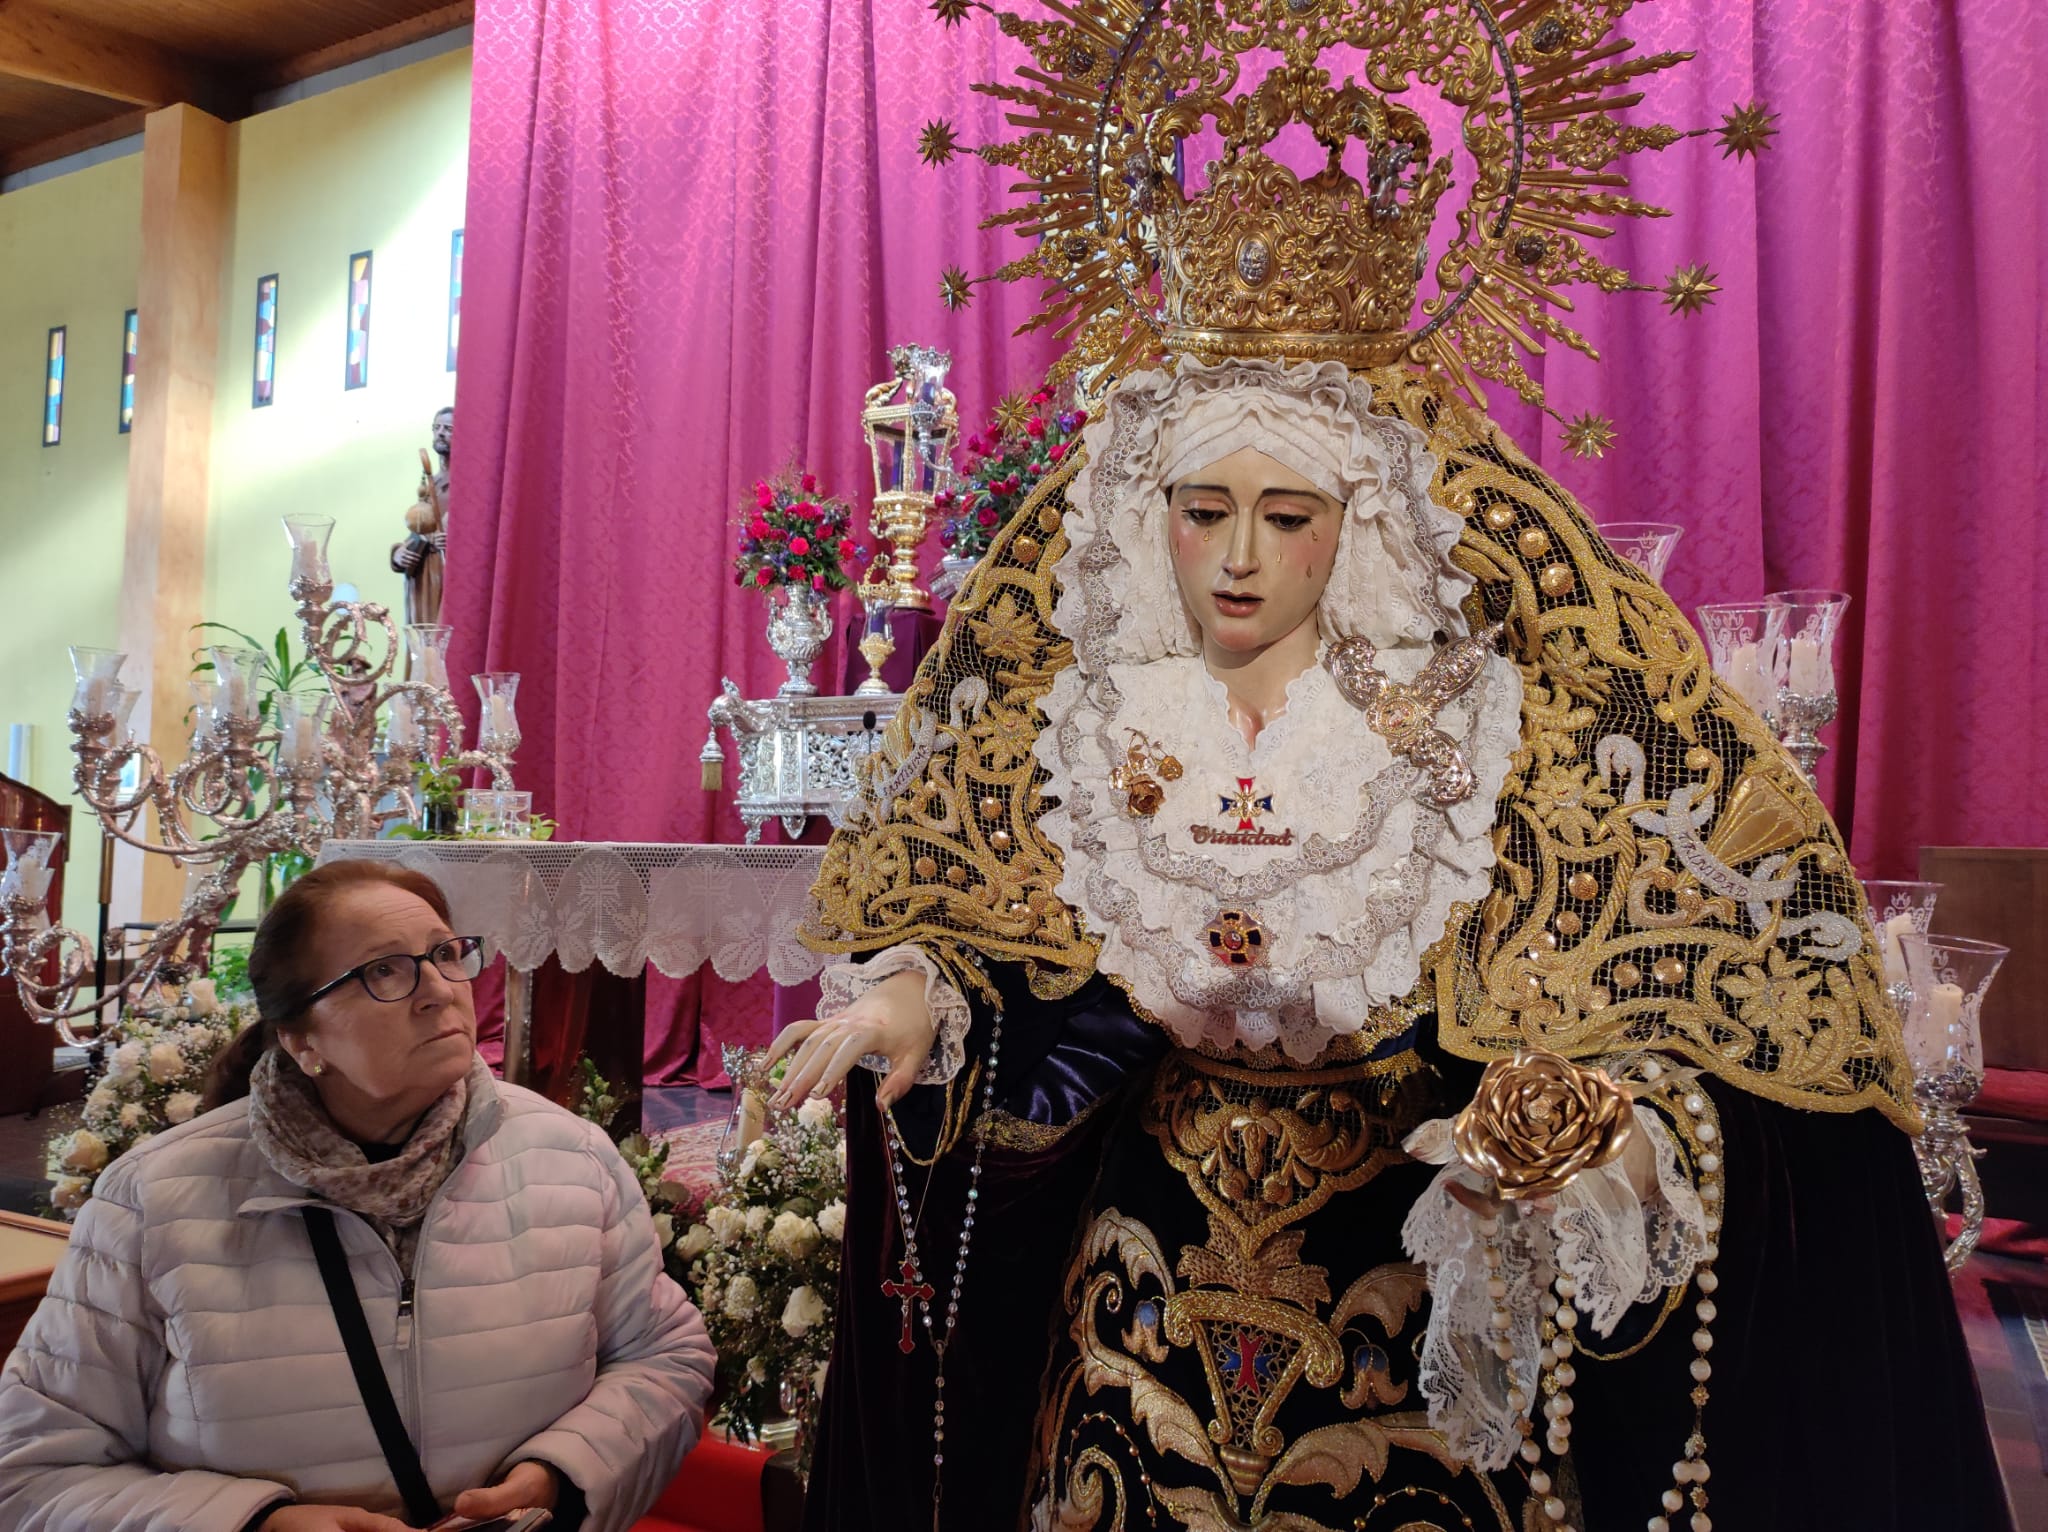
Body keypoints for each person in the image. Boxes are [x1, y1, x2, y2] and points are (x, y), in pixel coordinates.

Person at [779, 5, 2012, 1530]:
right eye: (1198, 508)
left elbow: (1712, 1019)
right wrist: (929, 1000)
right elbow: (1026, 954)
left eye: (1287, 515)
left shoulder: (1503, 722)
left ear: (1358, 521)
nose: (1236, 559)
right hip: (1138, 1306)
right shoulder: (1094, 718)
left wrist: (1599, 1125)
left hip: (1402, 1297)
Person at [0, 860, 715, 1532]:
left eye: (443, 954)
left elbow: (665, 1357)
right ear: (302, 1041)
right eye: (384, 972)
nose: (439, 987)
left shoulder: (572, 1157)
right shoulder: (153, 1199)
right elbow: (32, 1474)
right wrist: (253, 1523)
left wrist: (563, 1474)